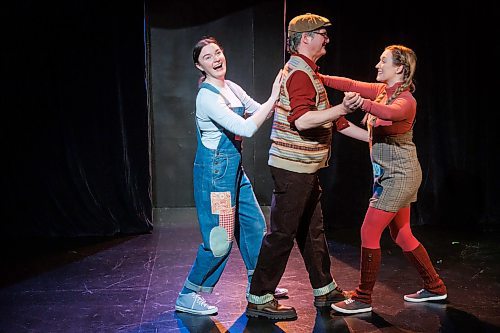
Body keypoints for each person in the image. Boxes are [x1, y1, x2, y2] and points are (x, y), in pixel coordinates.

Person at [245, 13, 369, 320]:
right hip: (292, 167)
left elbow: (334, 121)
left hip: (304, 167)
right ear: (306, 39)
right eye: (322, 34)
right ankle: (259, 297)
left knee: (312, 230)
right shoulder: (300, 73)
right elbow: (302, 120)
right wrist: (343, 106)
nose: (327, 39)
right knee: (283, 233)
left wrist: (371, 139)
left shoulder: (308, 72)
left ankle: (324, 288)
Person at [324, 45, 448, 314]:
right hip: (387, 176)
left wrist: (360, 103)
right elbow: (350, 84)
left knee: (369, 231)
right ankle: (435, 287)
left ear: (399, 68)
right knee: (402, 234)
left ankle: (363, 298)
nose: (378, 65)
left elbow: (389, 114)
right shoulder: (382, 92)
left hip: (400, 177)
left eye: (383, 61)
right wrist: (317, 77)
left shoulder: (406, 101)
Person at [175, 36, 288, 316]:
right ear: (199, 66)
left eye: (217, 52)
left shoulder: (232, 87)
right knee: (220, 238)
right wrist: (274, 97)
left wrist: (281, 106)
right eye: (208, 57)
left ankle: (258, 285)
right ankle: (189, 294)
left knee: (253, 225)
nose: (216, 59)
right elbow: (248, 128)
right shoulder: (206, 96)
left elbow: (255, 109)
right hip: (216, 177)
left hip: (233, 171)